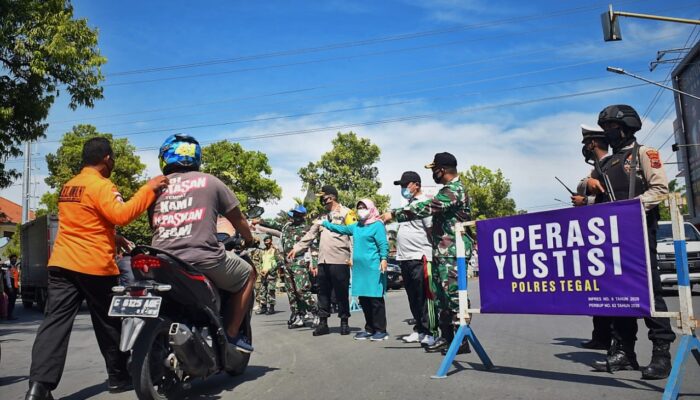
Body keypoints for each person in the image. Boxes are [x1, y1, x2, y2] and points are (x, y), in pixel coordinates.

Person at [25, 137, 169, 400]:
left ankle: (39, 387)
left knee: (54, 325)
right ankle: (118, 377)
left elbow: (85, 222)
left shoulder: (70, 187)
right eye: (113, 158)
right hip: (93, 266)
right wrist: (148, 189)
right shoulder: (101, 185)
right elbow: (122, 214)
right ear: (106, 159)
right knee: (109, 323)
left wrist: (115, 238)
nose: (113, 163)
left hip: (62, 264)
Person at [581, 105, 675, 380]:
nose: (606, 132)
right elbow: (589, 196)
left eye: (610, 127)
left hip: (639, 233)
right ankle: (624, 350)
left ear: (625, 128)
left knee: (649, 292)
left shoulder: (645, 154)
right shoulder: (606, 163)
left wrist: (629, 208)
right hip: (611, 239)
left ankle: (661, 353)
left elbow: (659, 190)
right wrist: (588, 186)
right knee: (618, 296)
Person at [150, 134, 257, 353]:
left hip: (161, 259)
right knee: (249, 274)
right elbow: (238, 219)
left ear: (165, 158)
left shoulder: (155, 186)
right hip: (203, 258)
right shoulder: (211, 182)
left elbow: (153, 223)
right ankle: (233, 334)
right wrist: (249, 238)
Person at [382, 152, 472, 355]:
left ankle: (462, 339)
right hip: (442, 251)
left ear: (442, 169)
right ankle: (447, 337)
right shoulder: (446, 190)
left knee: (454, 295)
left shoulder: (455, 190)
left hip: (453, 251)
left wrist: (395, 214)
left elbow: (427, 208)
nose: (433, 174)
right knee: (441, 297)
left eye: (434, 170)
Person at [288, 186, 355, 336]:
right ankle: (323, 323)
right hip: (323, 260)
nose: (321, 200)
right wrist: (297, 247)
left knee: (341, 292)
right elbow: (310, 235)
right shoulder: (321, 217)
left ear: (331, 197)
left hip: (340, 259)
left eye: (323, 197)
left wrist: (352, 257)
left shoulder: (347, 213)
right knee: (322, 292)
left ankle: (344, 322)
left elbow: (353, 235)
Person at [570, 125, 614, 351]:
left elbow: (612, 202)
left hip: (613, 239)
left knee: (614, 292)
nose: (585, 150)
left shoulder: (614, 164)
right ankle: (601, 336)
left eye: (585, 145)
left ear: (592, 144)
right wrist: (585, 190)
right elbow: (585, 185)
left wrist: (585, 202)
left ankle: (619, 342)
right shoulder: (597, 168)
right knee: (599, 290)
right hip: (599, 241)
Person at [321, 199, 390, 341]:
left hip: (373, 267)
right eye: (359, 207)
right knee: (364, 299)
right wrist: (325, 224)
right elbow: (341, 229)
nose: (361, 210)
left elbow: (383, 243)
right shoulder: (357, 226)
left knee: (375, 299)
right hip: (360, 269)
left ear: (370, 208)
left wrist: (384, 258)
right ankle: (369, 329)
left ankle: (381, 330)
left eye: (364, 207)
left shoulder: (377, 225)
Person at [253, 205, 318, 328]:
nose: (296, 216)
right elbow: (274, 224)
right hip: (287, 264)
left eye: (299, 214)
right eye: (295, 213)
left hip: (300, 263)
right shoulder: (287, 227)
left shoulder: (307, 229)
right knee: (291, 292)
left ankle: (315, 313)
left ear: (303, 215)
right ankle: (298, 315)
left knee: (302, 290)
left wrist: (314, 264)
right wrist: (260, 221)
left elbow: (313, 247)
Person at [392, 171, 435, 346]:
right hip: (404, 257)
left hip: (420, 256)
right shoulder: (407, 205)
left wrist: (433, 254)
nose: (403, 188)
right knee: (412, 296)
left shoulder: (424, 204)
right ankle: (420, 329)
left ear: (416, 184)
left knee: (424, 296)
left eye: (405, 184)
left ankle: (431, 332)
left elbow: (431, 230)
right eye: (401, 185)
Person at [251, 235, 283, 315]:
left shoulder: (275, 250)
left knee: (271, 291)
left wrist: (270, 270)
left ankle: (271, 308)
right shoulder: (263, 251)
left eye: (268, 241)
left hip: (271, 274)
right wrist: (261, 270)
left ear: (271, 241)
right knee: (263, 291)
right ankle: (263, 307)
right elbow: (261, 262)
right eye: (265, 242)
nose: (266, 243)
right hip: (263, 274)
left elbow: (280, 262)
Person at [3, 254, 19, 320]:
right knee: (11, 301)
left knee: (13, 301)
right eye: (13, 259)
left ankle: (10, 314)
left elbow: (16, 278)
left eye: (15, 259)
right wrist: (10, 287)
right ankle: (9, 315)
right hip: (11, 287)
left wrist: (17, 287)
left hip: (14, 286)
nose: (14, 260)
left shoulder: (15, 267)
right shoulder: (9, 267)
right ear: (10, 260)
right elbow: (7, 278)